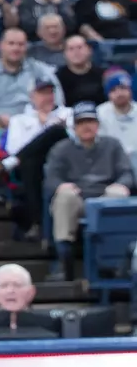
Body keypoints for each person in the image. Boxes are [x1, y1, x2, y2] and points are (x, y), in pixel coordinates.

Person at [44, 103, 135, 279]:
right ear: (74, 126)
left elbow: (126, 173)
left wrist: (121, 184)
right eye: (81, 122)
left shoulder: (112, 145)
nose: (87, 126)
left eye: (91, 121)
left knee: (119, 195)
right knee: (64, 197)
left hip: (104, 198)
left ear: (98, 124)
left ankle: (113, 261)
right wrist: (60, 185)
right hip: (77, 198)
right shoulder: (61, 149)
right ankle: (64, 258)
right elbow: (51, 177)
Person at [0, 29, 63, 197]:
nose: (16, 48)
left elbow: (58, 98)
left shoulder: (41, 70)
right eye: (11, 44)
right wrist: (0, 115)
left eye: (20, 44)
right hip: (3, 122)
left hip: (37, 119)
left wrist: (39, 114)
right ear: (1, 46)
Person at [0, 263, 54, 334]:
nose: (10, 291)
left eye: (17, 285)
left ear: (31, 292)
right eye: (3, 285)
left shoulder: (49, 324)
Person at [97, 69, 137, 157]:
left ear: (130, 90)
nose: (119, 93)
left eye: (123, 88)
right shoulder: (100, 113)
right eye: (113, 90)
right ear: (108, 94)